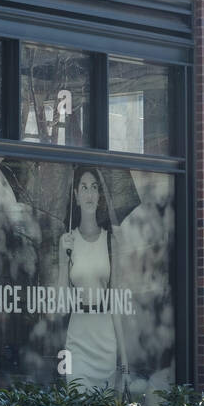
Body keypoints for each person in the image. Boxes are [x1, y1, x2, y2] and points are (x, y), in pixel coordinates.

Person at [58, 167, 125, 392]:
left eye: (94, 187)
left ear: (99, 196)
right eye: (84, 188)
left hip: (105, 339)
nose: (89, 193)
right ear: (76, 196)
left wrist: (123, 358)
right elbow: (60, 304)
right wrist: (61, 259)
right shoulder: (68, 241)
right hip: (77, 338)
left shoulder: (110, 241)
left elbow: (116, 302)